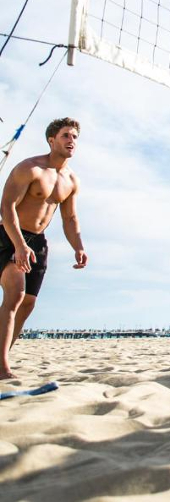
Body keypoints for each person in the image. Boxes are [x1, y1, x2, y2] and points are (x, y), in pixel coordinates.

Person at [1, 118, 88, 379]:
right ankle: (2, 368)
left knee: (28, 303)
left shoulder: (71, 179)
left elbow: (70, 218)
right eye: (65, 136)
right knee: (15, 294)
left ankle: (1, 354)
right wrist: (18, 244)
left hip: (38, 242)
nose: (71, 141)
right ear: (52, 140)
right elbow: (7, 208)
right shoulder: (30, 168)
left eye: (74, 137)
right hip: (9, 234)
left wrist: (78, 247)